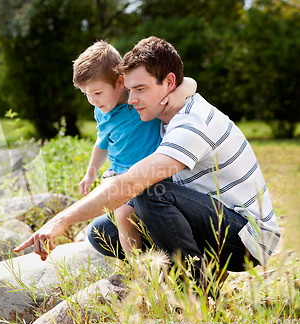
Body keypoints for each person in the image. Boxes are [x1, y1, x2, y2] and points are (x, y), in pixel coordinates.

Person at [15, 36, 281, 294]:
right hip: (211, 219)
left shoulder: (191, 123)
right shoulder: (165, 113)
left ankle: (197, 293)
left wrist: (60, 221)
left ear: (169, 83)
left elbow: (132, 182)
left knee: (145, 190)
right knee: (101, 232)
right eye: (130, 90)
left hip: (246, 238)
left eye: (140, 89)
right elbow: (185, 83)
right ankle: (162, 279)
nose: (131, 100)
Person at [73, 41, 197, 256]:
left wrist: (177, 95)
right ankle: (141, 264)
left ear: (120, 82)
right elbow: (101, 144)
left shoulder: (140, 98)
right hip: (118, 173)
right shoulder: (102, 112)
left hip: (151, 174)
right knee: (117, 216)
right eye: (86, 95)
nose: (92, 101)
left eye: (98, 93)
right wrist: (90, 173)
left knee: (131, 214)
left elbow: (190, 83)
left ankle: (144, 267)